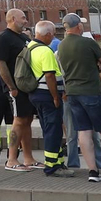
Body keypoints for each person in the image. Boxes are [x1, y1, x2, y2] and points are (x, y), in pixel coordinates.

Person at [56, 14, 101, 182]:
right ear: (78, 27)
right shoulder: (88, 43)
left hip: (73, 92)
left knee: (83, 131)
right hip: (90, 90)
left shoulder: (61, 46)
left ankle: (93, 171)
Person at [17, 21, 67, 175]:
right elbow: (50, 75)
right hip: (47, 94)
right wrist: (55, 97)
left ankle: (57, 161)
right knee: (53, 129)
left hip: (35, 93)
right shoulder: (45, 51)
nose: (52, 38)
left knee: (48, 128)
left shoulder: (29, 47)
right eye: (52, 35)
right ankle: (52, 166)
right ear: (48, 34)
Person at [0, 8, 39, 171]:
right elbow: (1, 63)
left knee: (27, 120)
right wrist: (11, 87)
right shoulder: (3, 38)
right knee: (18, 121)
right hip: (15, 88)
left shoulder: (22, 38)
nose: (26, 21)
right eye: (23, 18)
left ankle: (29, 158)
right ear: (12, 19)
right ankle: (11, 159)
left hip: (26, 86)